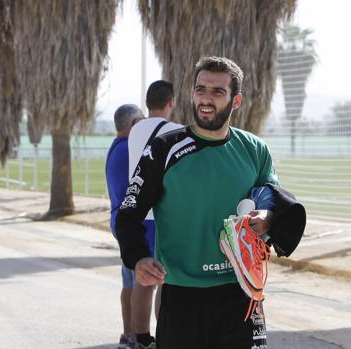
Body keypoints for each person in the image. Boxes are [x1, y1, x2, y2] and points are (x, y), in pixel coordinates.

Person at [115, 57, 305, 349]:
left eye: (218, 92)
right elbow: (129, 214)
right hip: (182, 297)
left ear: (236, 100)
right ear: (191, 94)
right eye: (200, 89)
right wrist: (138, 257)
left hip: (241, 294)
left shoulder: (254, 149)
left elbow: (273, 197)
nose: (206, 98)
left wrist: (267, 218)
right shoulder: (164, 149)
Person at [127, 81, 182, 335]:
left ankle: (141, 337)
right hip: (163, 215)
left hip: (139, 213)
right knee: (164, 279)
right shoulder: (177, 131)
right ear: (171, 102)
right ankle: (164, 336)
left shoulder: (135, 130)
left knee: (143, 278)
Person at [105, 104, 155, 349]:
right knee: (142, 282)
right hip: (132, 225)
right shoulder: (129, 150)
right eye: (142, 119)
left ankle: (128, 334)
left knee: (129, 282)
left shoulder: (116, 148)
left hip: (120, 221)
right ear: (134, 124)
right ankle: (139, 337)